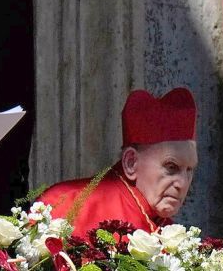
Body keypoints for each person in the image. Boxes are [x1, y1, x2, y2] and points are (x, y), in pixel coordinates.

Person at [38, 88, 198, 238]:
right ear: (131, 162)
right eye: (171, 167)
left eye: (189, 170)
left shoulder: (174, 238)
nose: (183, 184)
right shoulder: (64, 204)